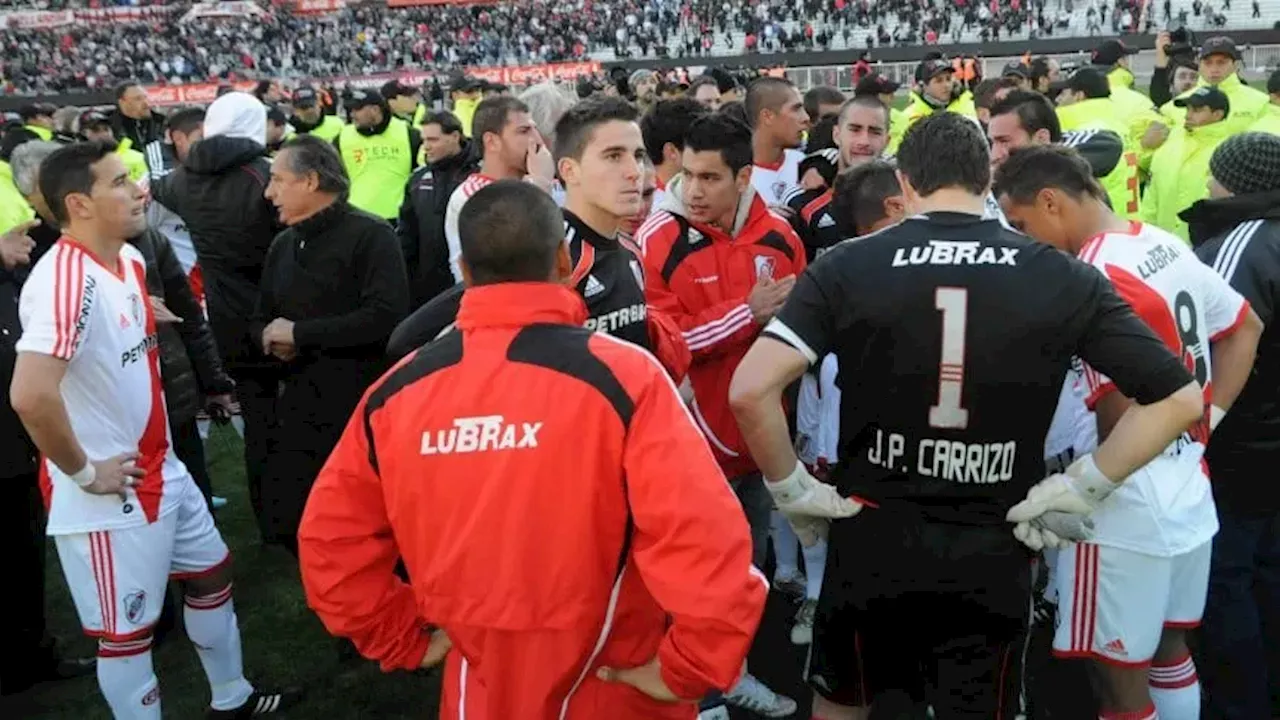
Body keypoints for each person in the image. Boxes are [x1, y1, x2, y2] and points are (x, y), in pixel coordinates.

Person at [727, 112, 1205, 720]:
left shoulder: (847, 264)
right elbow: (1180, 398)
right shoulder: (1061, 273)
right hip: (994, 539)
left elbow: (750, 391)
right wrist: (1086, 485)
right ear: (987, 178)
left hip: (873, 533)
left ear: (905, 183)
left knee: (845, 703)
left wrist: (790, 487)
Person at [297, 179, 767, 719]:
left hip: (486, 688)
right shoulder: (626, 377)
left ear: (465, 272)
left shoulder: (397, 391)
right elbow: (707, 541)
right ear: (565, 260)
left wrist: (400, 636)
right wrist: (692, 667)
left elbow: (332, 545)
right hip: (613, 686)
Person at [9, 141, 295, 718]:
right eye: (119, 182)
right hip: (109, 492)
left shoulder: (130, 260)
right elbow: (30, 394)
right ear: (78, 204)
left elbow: (117, 322)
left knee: (211, 575)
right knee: (127, 636)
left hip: (161, 468)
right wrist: (85, 473)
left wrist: (143, 308)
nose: (139, 190)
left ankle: (232, 698)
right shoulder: (62, 283)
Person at [995, 143, 1262, 720]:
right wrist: (1205, 422)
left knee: (1118, 687)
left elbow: (1120, 413)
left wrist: (1078, 483)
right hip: (1188, 489)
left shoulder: (1089, 276)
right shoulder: (1160, 241)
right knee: (1170, 654)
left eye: (1020, 224)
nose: (1020, 239)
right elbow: (1245, 328)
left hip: (1121, 508)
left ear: (1051, 202)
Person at [639, 112, 804, 718]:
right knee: (693, 578)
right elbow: (662, 343)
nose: (694, 190)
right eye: (686, 175)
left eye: (710, 177)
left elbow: (799, 335)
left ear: (745, 176)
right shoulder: (659, 239)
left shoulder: (782, 237)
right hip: (691, 444)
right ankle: (701, 694)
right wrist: (745, 312)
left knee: (747, 570)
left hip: (758, 437)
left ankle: (729, 675)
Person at [255, 135, 409, 557]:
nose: (269, 193)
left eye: (277, 180)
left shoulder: (373, 235)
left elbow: (386, 319)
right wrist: (272, 339)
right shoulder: (283, 245)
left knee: (370, 528)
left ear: (310, 181)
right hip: (298, 411)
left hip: (358, 412)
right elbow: (264, 318)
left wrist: (300, 335)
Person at [151, 92, 282, 546]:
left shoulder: (180, 182)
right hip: (279, 313)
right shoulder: (264, 176)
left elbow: (153, 196)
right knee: (300, 420)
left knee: (259, 427)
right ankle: (301, 515)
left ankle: (269, 518)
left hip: (226, 319)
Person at [1182, 132, 1280, 720]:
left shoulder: (1237, 246)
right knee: (1268, 575)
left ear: (1233, 181)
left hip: (1243, 444)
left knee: (1226, 583)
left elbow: (1203, 344)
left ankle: (1239, 706)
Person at [443, 96, 555, 283]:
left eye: (535, 129)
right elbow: (520, 254)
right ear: (492, 141)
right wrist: (541, 184)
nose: (537, 140)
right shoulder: (473, 196)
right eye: (524, 131)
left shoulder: (543, 181)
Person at [784, 96, 892, 260]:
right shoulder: (801, 201)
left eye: (875, 132)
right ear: (836, 134)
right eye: (855, 130)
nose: (864, 141)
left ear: (887, 140)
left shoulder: (904, 199)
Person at [745, 76, 810, 205]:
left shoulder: (807, 164)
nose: (806, 118)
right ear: (768, 116)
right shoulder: (737, 177)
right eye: (796, 109)